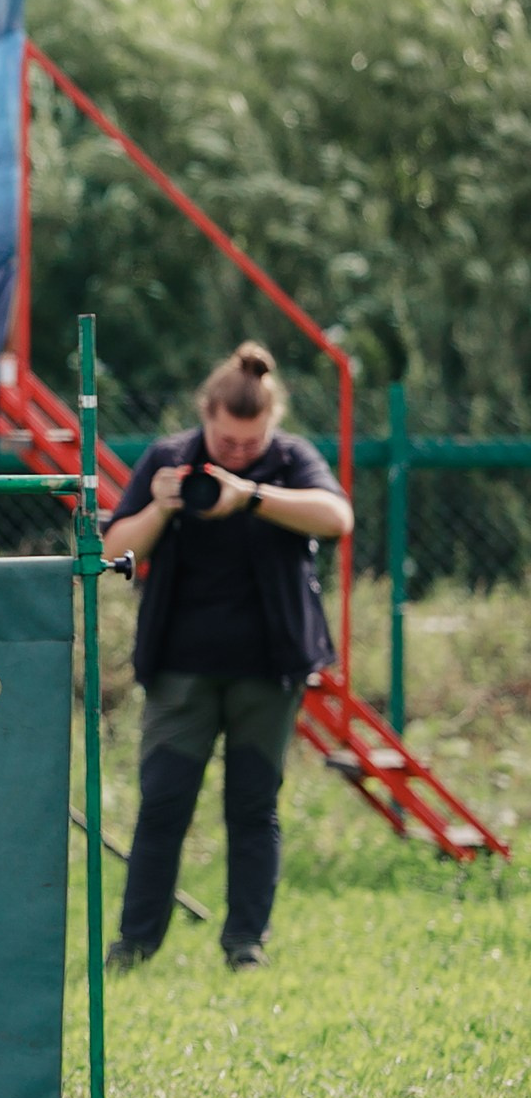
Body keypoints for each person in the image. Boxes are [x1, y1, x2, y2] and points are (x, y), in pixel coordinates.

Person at [100, 343, 354, 972]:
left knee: (252, 806)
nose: (236, 452)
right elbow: (115, 549)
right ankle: (134, 944)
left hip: (267, 669)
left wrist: (252, 494)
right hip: (180, 670)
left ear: (271, 424)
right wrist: (161, 504)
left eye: (250, 441)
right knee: (162, 805)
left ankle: (245, 945)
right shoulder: (169, 460)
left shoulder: (291, 461)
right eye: (225, 440)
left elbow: (337, 518)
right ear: (204, 415)